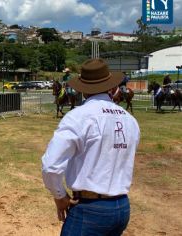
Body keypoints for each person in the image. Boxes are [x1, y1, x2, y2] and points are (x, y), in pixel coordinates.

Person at [42, 58, 140, 236]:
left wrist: (60, 196)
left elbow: (50, 166)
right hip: (122, 206)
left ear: (83, 88)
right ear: (110, 86)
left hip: (90, 209)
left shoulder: (78, 116)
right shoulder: (130, 119)